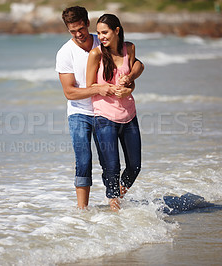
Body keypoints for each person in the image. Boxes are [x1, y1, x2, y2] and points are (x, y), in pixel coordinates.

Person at [55, 6, 144, 209]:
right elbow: (70, 92)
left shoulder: (104, 39)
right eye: (72, 31)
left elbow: (134, 64)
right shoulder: (65, 53)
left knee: (112, 165)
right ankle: (82, 212)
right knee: (84, 160)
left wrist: (130, 83)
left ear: (87, 23)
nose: (78, 34)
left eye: (81, 29)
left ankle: (112, 199)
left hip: (106, 111)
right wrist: (99, 89)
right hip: (80, 112)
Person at [86, 14, 142, 211]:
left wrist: (129, 88)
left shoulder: (130, 48)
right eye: (99, 33)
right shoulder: (96, 55)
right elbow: (89, 85)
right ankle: (114, 206)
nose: (101, 36)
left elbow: (132, 77)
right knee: (112, 168)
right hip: (104, 117)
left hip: (129, 115)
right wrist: (106, 89)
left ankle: (117, 195)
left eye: (105, 32)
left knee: (135, 166)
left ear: (117, 30)